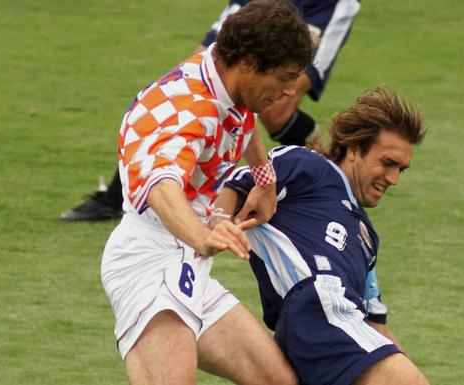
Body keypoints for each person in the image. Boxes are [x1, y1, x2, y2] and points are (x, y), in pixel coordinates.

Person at [100, 1, 313, 384]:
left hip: (186, 263)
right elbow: (162, 184)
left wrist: (264, 178)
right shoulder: (188, 110)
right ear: (248, 62)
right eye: (283, 78)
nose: (286, 92)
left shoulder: (223, 78)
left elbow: (243, 121)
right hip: (150, 262)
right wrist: (203, 235)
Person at [60, 0, 361, 222]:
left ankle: (327, 176)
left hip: (320, 5)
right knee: (205, 74)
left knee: (276, 106)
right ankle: (123, 195)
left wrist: (264, 178)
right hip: (263, 7)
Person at [213, 86, 430, 385]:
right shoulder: (308, 166)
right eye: (387, 163)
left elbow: (375, 326)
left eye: (401, 170)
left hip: (337, 323)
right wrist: (216, 224)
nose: (393, 179)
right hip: (316, 309)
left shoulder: (367, 239)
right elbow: (239, 182)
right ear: (354, 149)